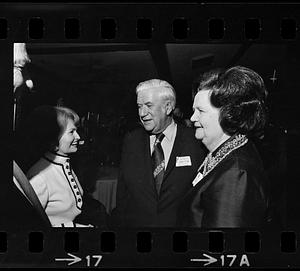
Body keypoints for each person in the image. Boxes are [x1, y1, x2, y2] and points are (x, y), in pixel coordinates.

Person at [177, 66, 271, 228]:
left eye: (200, 111)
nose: (192, 118)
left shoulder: (236, 174)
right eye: (193, 110)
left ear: (228, 114)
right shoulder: (222, 153)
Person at [112, 79, 206, 227]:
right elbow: (122, 194)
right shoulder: (131, 140)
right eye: (139, 106)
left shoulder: (195, 141)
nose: (142, 113)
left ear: (168, 107)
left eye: (149, 106)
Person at [23, 105, 105, 227]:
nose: (78, 137)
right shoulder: (39, 177)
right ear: (53, 138)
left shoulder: (64, 163)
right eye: (72, 132)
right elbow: (30, 225)